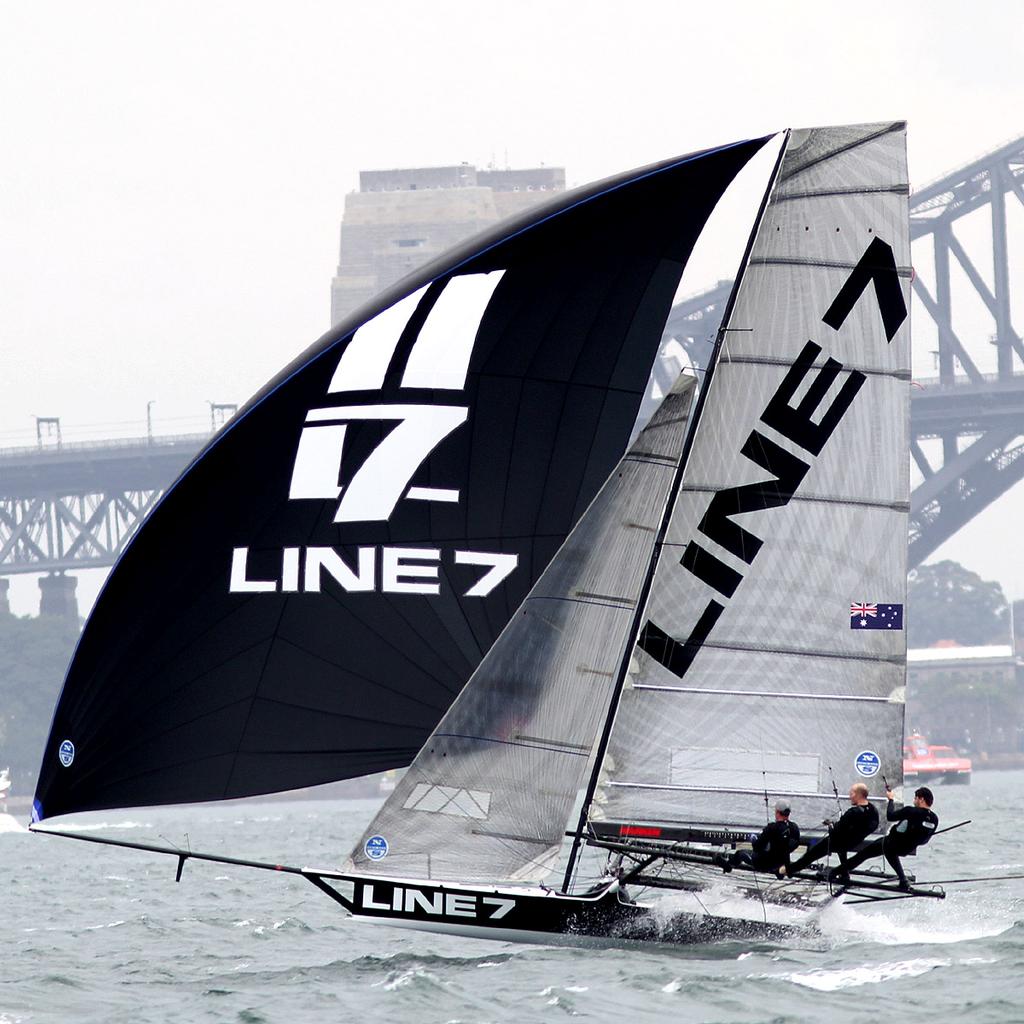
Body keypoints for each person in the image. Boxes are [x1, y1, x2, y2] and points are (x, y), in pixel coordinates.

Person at [831, 786, 938, 890]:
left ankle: (834, 873)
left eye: (915, 798)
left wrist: (891, 799)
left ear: (921, 799)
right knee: (888, 851)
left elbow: (890, 816)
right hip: (906, 849)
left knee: (862, 855)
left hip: (890, 844)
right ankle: (903, 880)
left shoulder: (911, 811)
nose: (914, 801)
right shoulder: (935, 819)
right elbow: (924, 840)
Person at [780, 782, 879, 878]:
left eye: (852, 793)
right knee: (842, 847)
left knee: (810, 855)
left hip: (837, 842)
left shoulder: (852, 812)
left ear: (859, 794)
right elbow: (873, 826)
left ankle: (788, 870)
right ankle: (844, 873)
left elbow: (835, 832)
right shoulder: (873, 810)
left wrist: (830, 825)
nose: (850, 796)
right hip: (854, 842)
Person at [717, 800, 800, 874]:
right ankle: (779, 874)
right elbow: (794, 845)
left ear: (777, 812)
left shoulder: (772, 828)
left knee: (740, 854)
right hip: (781, 863)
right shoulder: (794, 828)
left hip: (763, 864)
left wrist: (753, 839)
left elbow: (757, 847)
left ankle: (727, 867)